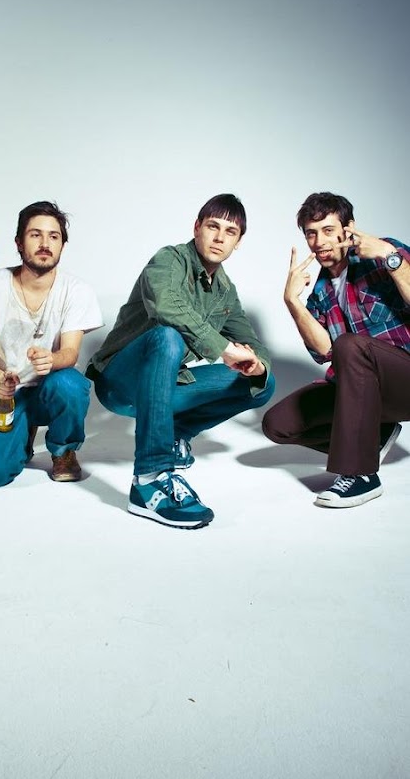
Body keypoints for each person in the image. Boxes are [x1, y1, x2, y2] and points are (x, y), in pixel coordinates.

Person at [87, 193, 275, 529]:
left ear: (238, 242)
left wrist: (255, 363)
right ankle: (149, 479)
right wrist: (224, 349)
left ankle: (176, 434)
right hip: (119, 383)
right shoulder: (169, 260)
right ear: (197, 227)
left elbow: (253, 341)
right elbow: (167, 307)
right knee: (167, 336)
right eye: (213, 226)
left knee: (262, 382)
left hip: (164, 387)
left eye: (230, 232)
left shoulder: (225, 291)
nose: (219, 237)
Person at [262, 191, 410, 508]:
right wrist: (292, 302)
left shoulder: (383, 254)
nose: (319, 242)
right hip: (365, 393)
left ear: (348, 228)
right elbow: (324, 351)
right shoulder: (320, 291)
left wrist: (389, 256)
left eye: (328, 230)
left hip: (405, 382)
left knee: (351, 344)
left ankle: (361, 475)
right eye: (311, 233)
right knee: (277, 424)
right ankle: (374, 437)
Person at [0, 200, 103, 488]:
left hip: (49, 389)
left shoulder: (77, 290)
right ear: (19, 242)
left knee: (69, 383)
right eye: (35, 235)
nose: (45, 244)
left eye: (54, 236)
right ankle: (23, 433)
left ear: (62, 245)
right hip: (7, 391)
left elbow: (70, 352)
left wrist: (52, 360)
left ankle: (63, 450)